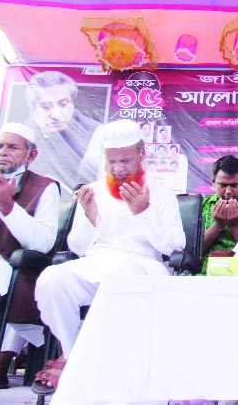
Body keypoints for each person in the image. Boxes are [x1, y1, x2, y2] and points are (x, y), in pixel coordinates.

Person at [31, 119, 185, 393]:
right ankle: (74, 353)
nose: (118, 168)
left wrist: (144, 211)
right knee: (52, 280)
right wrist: (90, 218)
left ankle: (112, 364)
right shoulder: (94, 190)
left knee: (124, 278)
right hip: (97, 262)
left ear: (141, 153)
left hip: (143, 265)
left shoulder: (160, 192)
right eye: (111, 161)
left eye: (125, 160)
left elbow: (174, 245)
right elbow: (77, 247)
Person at [0, 123, 60, 389]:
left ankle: (2, 361)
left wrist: (8, 205)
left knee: (13, 274)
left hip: (17, 264)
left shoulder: (45, 187)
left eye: (12, 147)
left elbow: (42, 243)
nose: (3, 152)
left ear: (30, 156)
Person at [22, 71, 103, 194]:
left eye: (63, 104)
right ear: (32, 110)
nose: (56, 114)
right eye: (46, 107)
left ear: (72, 104)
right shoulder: (21, 135)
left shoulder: (96, 133)